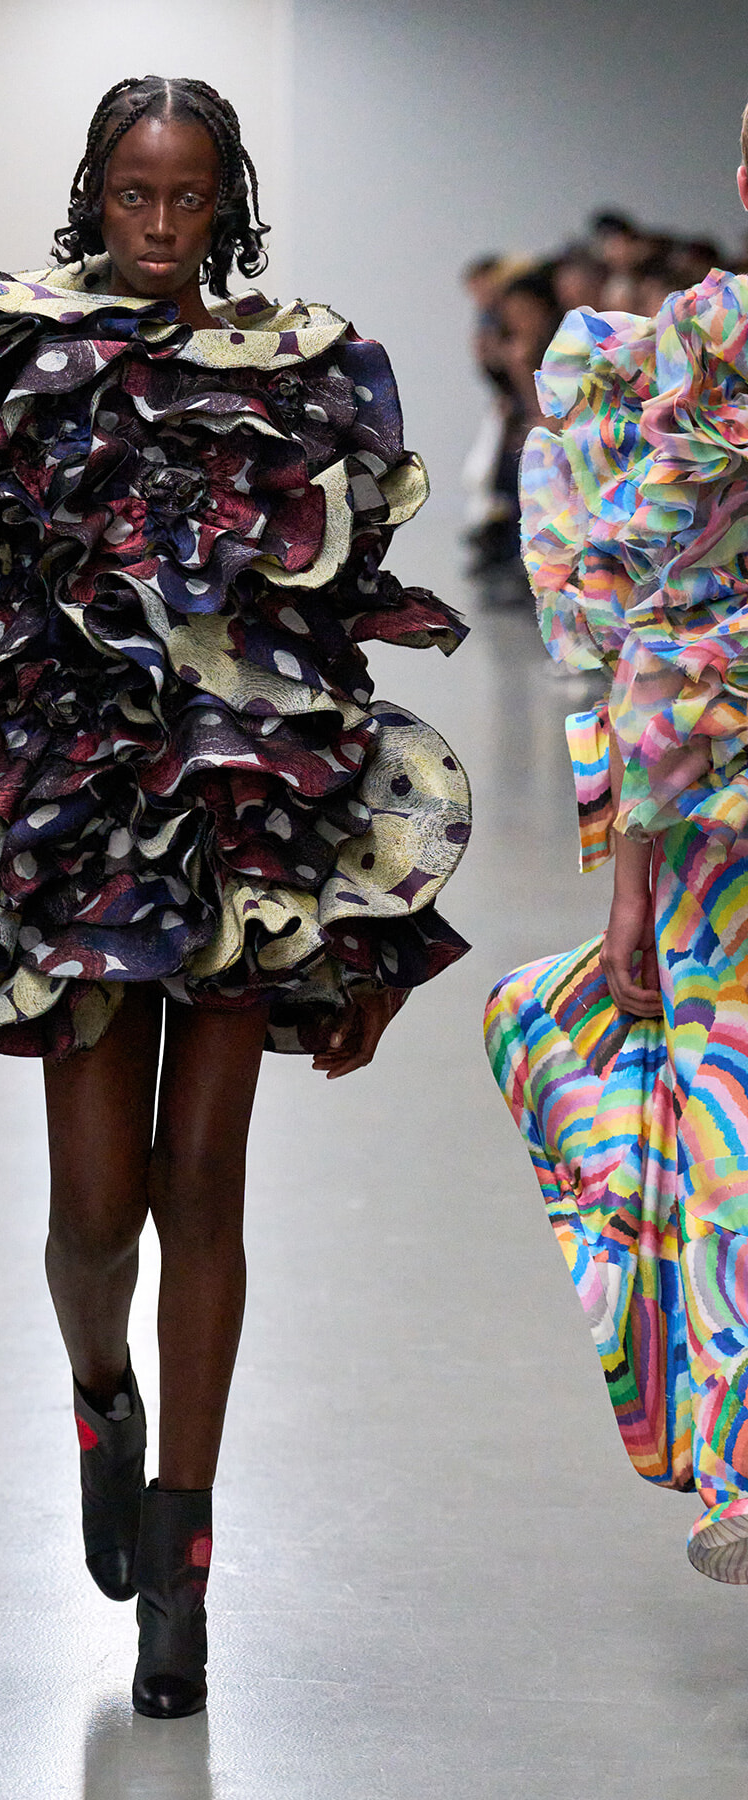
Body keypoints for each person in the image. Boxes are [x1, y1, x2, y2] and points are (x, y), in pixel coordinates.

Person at [0, 74, 471, 1715]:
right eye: (135, 194)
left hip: (251, 816)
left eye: (189, 196)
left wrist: (376, 937)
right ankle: (99, 1395)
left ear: (228, 197)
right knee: (94, 1214)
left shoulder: (316, 373)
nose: (164, 224)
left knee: (207, 1190)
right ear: (96, 194)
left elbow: (345, 634)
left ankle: (182, 1570)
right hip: (71, 810)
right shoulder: (16, 367)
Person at [485, 110, 748, 1582]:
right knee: (726, 1141)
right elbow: (655, 624)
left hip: (712, 810)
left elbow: (652, 622)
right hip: (724, 815)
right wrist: (636, 876)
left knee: (730, 1143)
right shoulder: (706, 359)